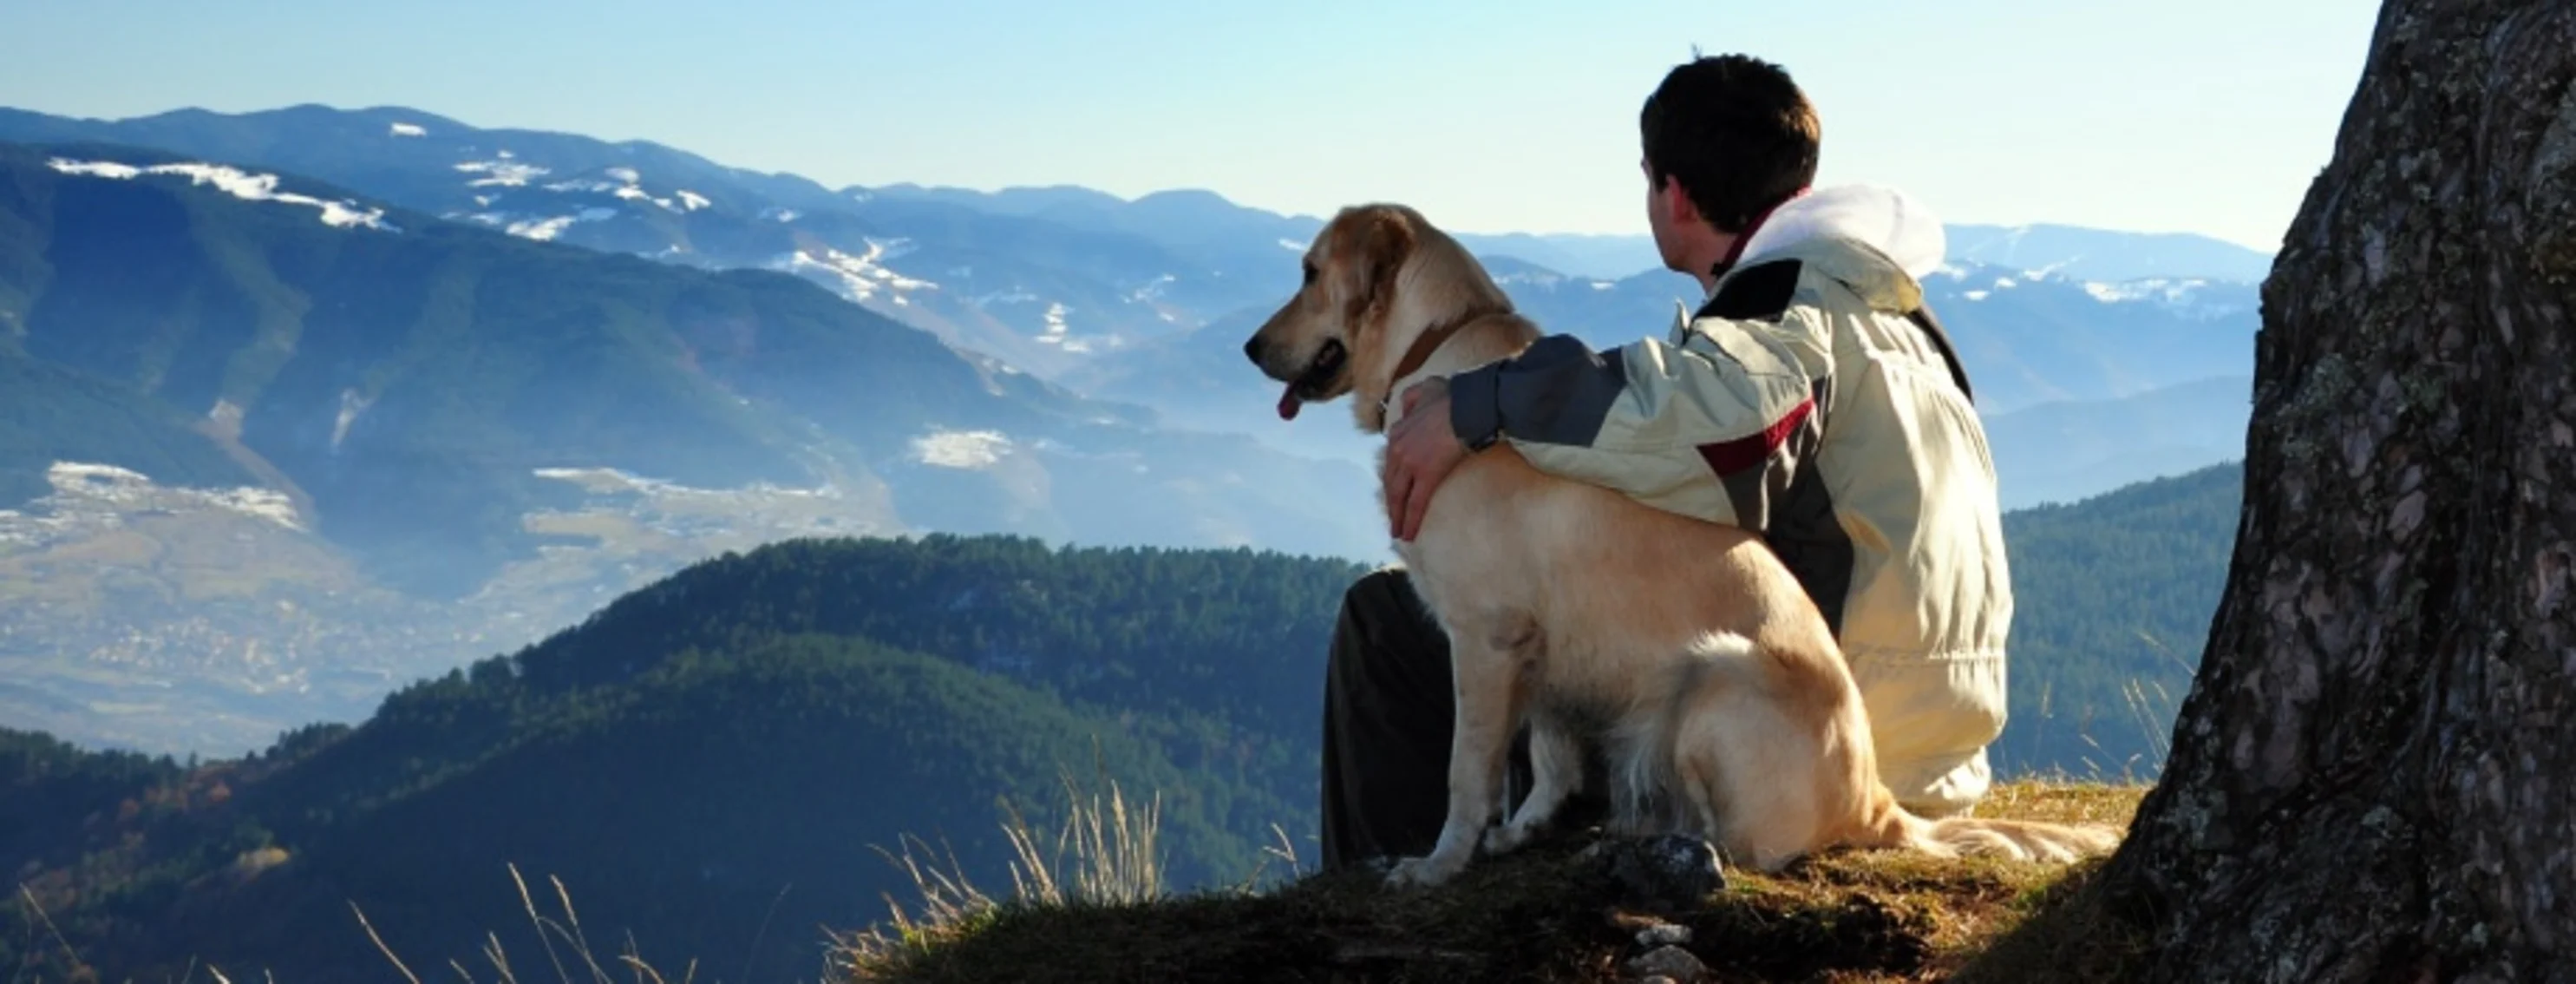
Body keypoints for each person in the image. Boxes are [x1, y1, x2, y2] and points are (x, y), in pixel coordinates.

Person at [1318, 52, 2015, 871]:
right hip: (1915, 747)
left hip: (1801, 743)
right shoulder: (1897, 320)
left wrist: (1481, 404)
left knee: (1399, 626)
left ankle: (1397, 889)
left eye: (1648, 180)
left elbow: (1716, 425)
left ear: (1674, 195)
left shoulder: (1783, 315)